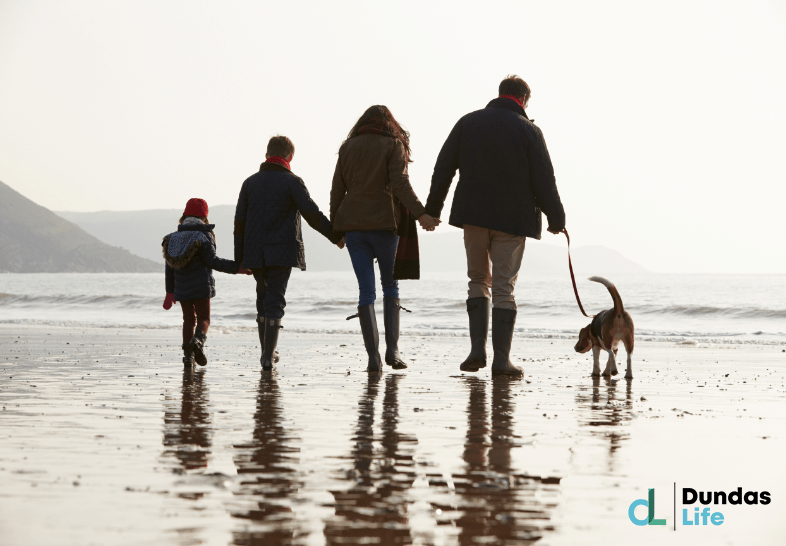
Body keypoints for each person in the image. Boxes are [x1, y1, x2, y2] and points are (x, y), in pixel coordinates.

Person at [425, 76, 566, 376]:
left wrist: (432, 210)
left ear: (500, 94)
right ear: (524, 98)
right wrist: (557, 219)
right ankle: (501, 360)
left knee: (478, 279)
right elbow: (544, 179)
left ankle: (477, 350)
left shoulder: (468, 122)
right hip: (513, 220)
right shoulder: (529, 130)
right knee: (504, 287)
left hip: (473, 216)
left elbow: (444, 167)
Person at [330, 105, 440, 373]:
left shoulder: (348, 147)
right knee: (390, 287)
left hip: (354, 227)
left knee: (366, 292)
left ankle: (373, 358)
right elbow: (400, 183)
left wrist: (336, 231)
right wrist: (421, 214)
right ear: (390, 123)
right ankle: (393, 350)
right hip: (385, 226)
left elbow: (337, 189)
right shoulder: (393, 144)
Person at [234, 135, 343, 370]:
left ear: (266, 155)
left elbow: (239, 222)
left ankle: (267, 353)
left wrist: (239, 259)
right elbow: (312, 214)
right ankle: (267, 356)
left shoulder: (249, 183)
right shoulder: (292, 182)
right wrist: (335, 236)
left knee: (262, 298)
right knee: (275, 300)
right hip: (281, 251)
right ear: (290, 156)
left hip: (254, 252)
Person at [162, 198, 251, 367]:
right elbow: (213, 262)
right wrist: (238, 268)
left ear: (184, 216)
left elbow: (169, 268)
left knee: (188, 320)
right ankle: (198, 342)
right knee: (204, 318)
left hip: (181, 288)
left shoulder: (171, 238)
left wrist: (169, 292)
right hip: (201, 287)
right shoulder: (203, 236)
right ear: (204, 218)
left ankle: (188, 357)